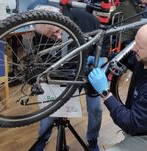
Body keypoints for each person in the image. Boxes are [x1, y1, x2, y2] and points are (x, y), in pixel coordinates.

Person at [88, 21, 147, 151]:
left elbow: (130, 123)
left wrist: (105, 92)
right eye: (135, 42)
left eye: (140, 46)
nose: (133, 48)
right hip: (140, 130)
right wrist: (106, 59)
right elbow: (127, 58)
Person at [28, 4, 106, 151]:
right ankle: (43, 138)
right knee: (48, 107)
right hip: (61, 72)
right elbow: (44, 57)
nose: (57, 37)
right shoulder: (40, 33)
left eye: (58, 31)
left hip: (89, 71)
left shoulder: (87, 19)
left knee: (95, 108)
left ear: (61, 18)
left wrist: (100, 60)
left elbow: (105, 46)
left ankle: (93, 139)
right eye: (51, 36)